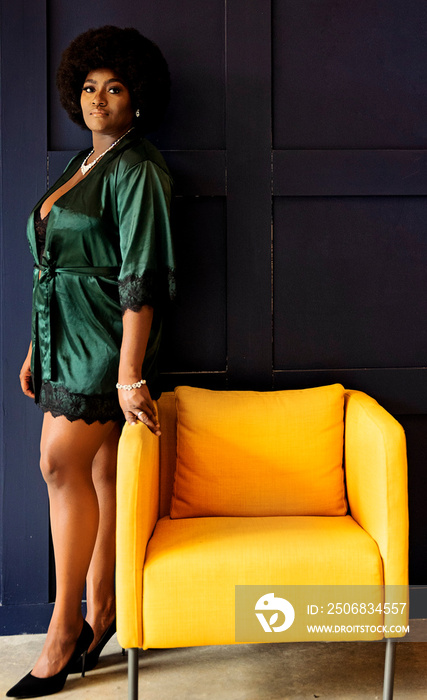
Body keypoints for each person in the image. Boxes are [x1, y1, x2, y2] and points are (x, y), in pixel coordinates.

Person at [7, 25, 175, 698]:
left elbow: (143, 275)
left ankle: (61, 632)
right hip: (63, 333)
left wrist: (129, 372)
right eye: (87, 87)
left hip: (105, 340)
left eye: (114, 88)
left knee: (58, 463)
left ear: (137, 100)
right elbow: (56, 262)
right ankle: (101, 614)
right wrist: (34, 344)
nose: (98, 99)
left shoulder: (138, 169)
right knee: (100, 474)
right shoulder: (85, 162)